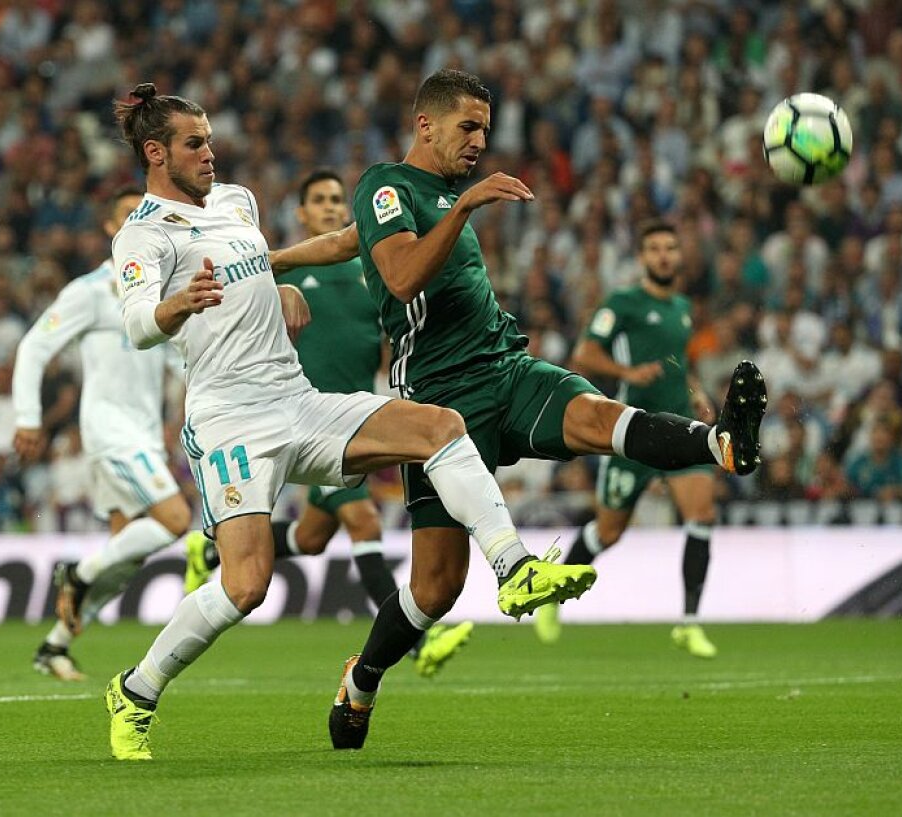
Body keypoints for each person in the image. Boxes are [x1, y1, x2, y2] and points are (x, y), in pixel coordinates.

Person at [271, 69, 766, 750]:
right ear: (426, 125)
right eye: (468, 127)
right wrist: (465, 208)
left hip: (503, 367)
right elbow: (401, 274)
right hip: (437, 403)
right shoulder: (387, 185)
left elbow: (343, 242)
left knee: (595, 416)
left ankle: (721, 443)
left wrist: (273, 259)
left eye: (486, 129)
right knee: (436, 587)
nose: (480, 140)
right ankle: (362, 679)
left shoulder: (439, 196)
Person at [102, 83, 597, 761]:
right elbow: (137, 325)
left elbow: (293, 258)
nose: (210, 152)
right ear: (156, 154)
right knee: (246, 585)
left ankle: (514, 568)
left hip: (296, 398)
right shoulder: (143, 233)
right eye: (194, 144)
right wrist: (178, 305)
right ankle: (136, 689)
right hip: (229, 421)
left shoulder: (237, 202)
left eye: (210, 139)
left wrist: (279, 285)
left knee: (439, 427)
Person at [184, 169, 474, 678]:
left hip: (353, 420)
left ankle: (207, 555)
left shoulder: (372, 272)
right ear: (301, 214)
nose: (331, 207)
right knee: (364, 523)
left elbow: (387, 343)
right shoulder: (279, 275)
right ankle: (416, 645)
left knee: (313, 538)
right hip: (302, 423)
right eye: (318, 199)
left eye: (338, 199)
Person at [12, 185, 190, 682]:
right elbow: (34, 347)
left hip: (145, 435)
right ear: (111, 228)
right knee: (175, 519)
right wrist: (28, 417)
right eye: (128, 215)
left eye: (145, 214)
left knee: (125, 559)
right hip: (111, 431)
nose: (138, 221)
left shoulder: (158, 291)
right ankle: (77, 572)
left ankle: (54, 646)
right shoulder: (90, 291)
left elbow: (178, 363)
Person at [533, 219, 723, 658]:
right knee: (608, 531)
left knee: (703, 513)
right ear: (641, 257)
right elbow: (585, 353)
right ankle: (553, 594)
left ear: (679, 256)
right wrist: (627, 373)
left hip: (679, 429)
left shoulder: (682, 307)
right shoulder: (623, 303)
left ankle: (689, 624)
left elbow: (675, 363)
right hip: (632, 431)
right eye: (654, 248)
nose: (663, 256)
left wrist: (696, 392)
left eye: (670, 248)